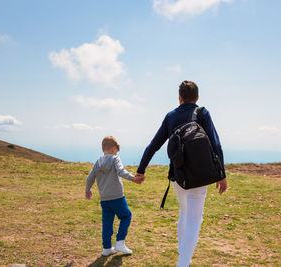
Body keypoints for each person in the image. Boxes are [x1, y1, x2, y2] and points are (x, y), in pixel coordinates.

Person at [134, 81, 227, 267]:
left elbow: (153, 145)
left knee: (184, 213)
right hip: (201, 176)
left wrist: (141, 170)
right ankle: (183, 262)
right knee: (194, 220)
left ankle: (183, 255)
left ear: (179, 97)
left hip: (179, 176)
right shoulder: (203, 113)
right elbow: (216, 144)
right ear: (197, 97)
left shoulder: (171, 116)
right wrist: (221, 174)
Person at [85, 136, 143, 257]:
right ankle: (120, 242)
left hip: (104, 199)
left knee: (107, 223)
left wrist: (88, 190)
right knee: (126, 216)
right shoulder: (115, 158)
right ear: (113, 149)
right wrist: (133, 178)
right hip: (117, 197)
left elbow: (90, 178)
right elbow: (121, 171)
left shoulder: (98, 162)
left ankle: (106, 248)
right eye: (117, 150)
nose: (117, 152)